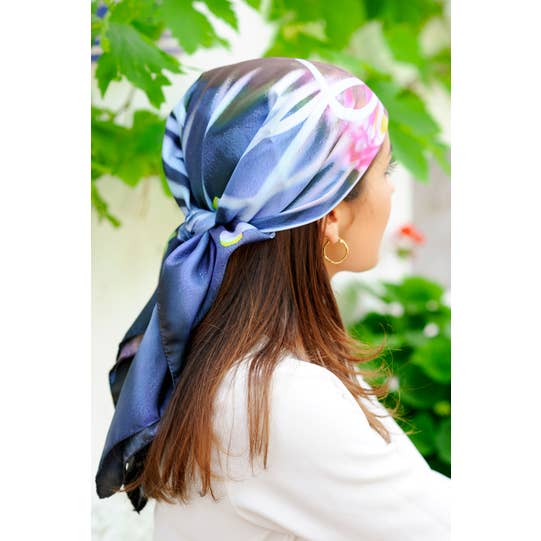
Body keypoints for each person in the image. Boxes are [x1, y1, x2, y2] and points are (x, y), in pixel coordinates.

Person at [95, 56, 450, 540]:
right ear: (331, 214)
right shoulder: (283, 398)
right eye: (385, 170)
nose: (390, 190)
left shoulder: (228, 360)